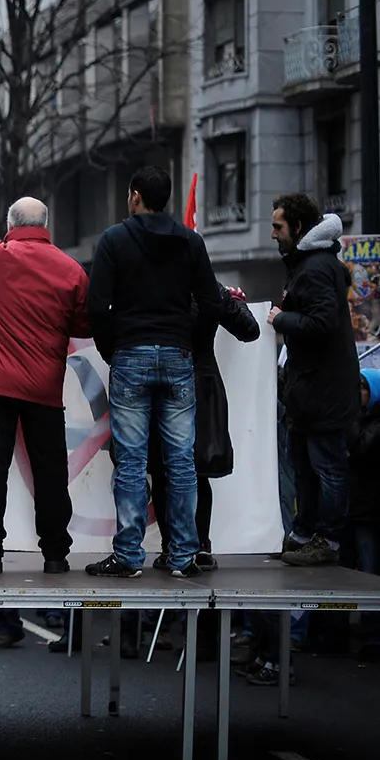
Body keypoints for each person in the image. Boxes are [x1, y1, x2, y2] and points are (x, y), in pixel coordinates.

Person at [0, 168, 89, 646]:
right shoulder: (71, 271)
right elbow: (84, 324)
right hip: (44, 386)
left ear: (10, 225)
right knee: (50, 471)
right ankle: (56, 552)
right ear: (46, 225)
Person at [85, 166, 228, 579]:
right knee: (181, 461)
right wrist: (192, 344)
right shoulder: (190, 241)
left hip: (131, 354)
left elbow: (97, 306)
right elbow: (212, 302)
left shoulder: (114, 240)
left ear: (135, 196)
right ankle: (184, 555)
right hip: (178, 356)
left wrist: (112, 349)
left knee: (131, 461)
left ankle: (129, 556)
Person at [271, 199, 360, 566]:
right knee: (304, 467)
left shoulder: (316, 268)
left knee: (327, 468)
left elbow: (323, 323)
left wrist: (281, 319)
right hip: (308, 391)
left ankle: (328, 540)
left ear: (297, 227)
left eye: (278, 227)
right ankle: (304, 533)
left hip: (323, 392)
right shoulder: (309, 265)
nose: (273, 234)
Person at [148, 282, 260, 566]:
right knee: (197, 470)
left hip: (161, 381)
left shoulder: (153, 284)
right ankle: (200, 546)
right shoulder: (210, 288)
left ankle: (171, 546)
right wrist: (236, 301)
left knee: (162, 469)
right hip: (202, 382)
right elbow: (249, 329)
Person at [348, 369, 380, 659]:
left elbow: (358, 448)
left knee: (369, 573)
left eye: (363, 388)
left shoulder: (371, 424)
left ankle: (372, 637)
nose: (358, 395)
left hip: (368, 509)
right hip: (359, 507)